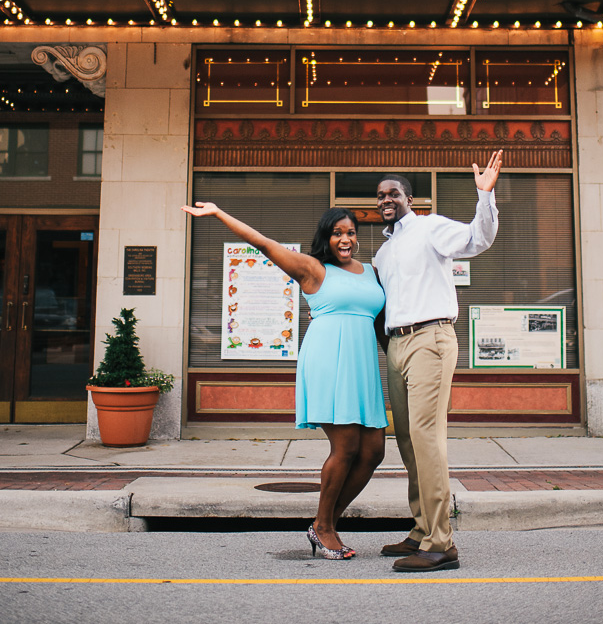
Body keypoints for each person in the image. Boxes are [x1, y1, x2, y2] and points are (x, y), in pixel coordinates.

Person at [182, 201, 387, 560]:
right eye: (337, 232)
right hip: (328, 361)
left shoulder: (371, 271)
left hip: (363, 365)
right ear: (326, 236)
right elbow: (262, 243)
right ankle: (324, 528)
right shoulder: (312, 268)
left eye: (350, 232)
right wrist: (218, 213)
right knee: (347, 448)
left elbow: (381, 322)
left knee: (374, 451)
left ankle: (325, 524)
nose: (345, 239)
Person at [373, 150, 503, 573]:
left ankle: (441, 542)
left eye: (393, 193)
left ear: (410, 199)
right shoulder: (384, 252)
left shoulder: (430, 227)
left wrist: (485, 196)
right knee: (408, 440)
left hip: (431, 338)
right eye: (380, 195)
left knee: (426, 437)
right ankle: (422, 528)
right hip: (396, 346)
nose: (385, 199)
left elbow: (477, 240)